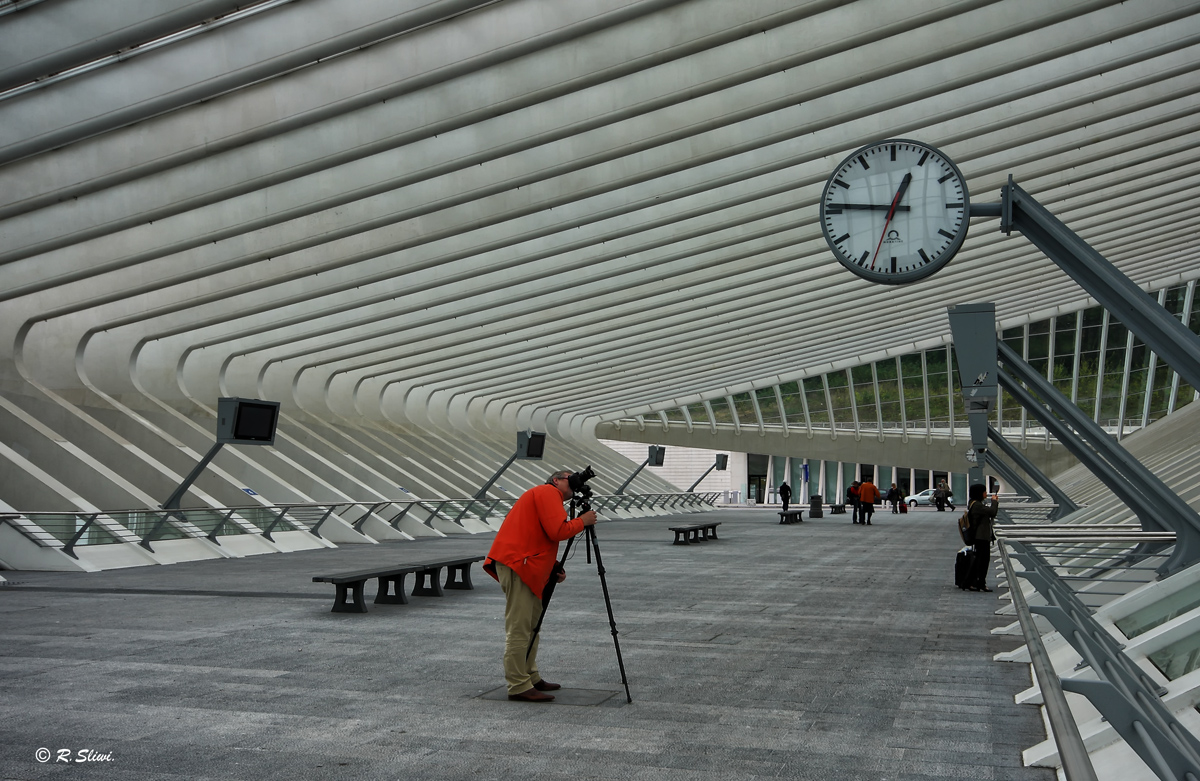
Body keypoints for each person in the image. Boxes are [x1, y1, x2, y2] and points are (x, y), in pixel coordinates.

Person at [483, 470, 598, 702]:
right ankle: (518, 684)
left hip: (525, 564)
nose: (573, 480)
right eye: (568, 477)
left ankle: (530, 676)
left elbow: (537, 535)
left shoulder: (547, 496)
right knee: (520, 627)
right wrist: (582, 521)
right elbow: (557, 531)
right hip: (519, 565)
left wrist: (552, 566)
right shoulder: (547, 491)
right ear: (556, 480)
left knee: (532, 624)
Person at [964, 483, 999, 592]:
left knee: (978, 560)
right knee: (983, 561)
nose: (986, 493)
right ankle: (979, 583)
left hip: (979, 536)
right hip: (981, 537)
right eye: (984, 491)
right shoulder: (977, 505)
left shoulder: (973, 503)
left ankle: (970, 582)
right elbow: (993, 512)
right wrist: (994, 502)